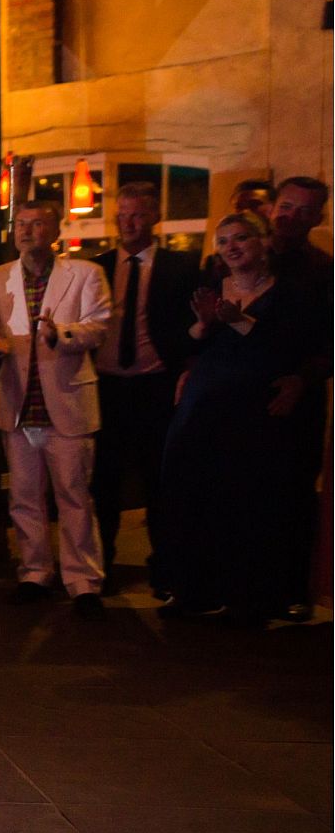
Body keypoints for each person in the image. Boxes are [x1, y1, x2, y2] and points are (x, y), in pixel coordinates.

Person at [158, 211, 312, 626]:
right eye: (224, 240)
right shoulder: (207, 289)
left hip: (253, 410)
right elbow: (177, 344)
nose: (232, 246)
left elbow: (288, 350)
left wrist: (239, 320)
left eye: (241, 237)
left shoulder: (288, 293)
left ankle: (248, 597)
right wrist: (202, 326)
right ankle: (194, 590)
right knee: (194, 496)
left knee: (246, 501)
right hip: (202, 406)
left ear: (263, 242)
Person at [0, 201, 112, 618]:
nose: (27, 231)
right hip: (19, 402)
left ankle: (83, 580)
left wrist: (63, 334)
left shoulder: (86, 274)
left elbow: (99, 325)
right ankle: (35, 572)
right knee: (23, 496)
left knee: (73, 494)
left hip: (67, 399)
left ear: (55, 230)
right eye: (21, 224)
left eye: (37, 224)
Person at [88, 183, 198, 590]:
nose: (128, 223)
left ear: (154, 217)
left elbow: (192, 328)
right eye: (122, 215)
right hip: (106, 386)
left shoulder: (180, 267)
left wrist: (186, 368)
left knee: (160, 481)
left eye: (137, 215)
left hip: (156, 385)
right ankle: (101, 566)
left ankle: (166, 567)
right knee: (104, 482)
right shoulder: (95, 267)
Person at [265, 176, 333, 622]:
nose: (292, 217)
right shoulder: (242, 255)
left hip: (299, 401)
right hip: (242, 395)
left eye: (304, 211)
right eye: (286, 206)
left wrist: (301, 381)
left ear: (319, 219)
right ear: (273, 207)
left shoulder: (325, 271)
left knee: (291, 497)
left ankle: (291, 590)